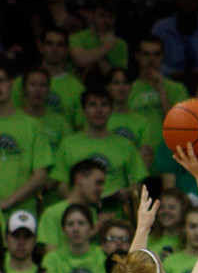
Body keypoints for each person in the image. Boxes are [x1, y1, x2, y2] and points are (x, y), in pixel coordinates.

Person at [51, 88, 147, 217]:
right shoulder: (68, 144)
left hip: (117, 220)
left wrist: (128, 192)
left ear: (111, 110)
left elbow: (137, 184)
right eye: (92, 105)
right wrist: (80, 205)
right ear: (83, 111)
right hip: (80, 220)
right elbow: (62, 187)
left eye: (104, 105)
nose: (99, 110)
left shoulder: (125, 145)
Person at [0, 63, 52, 219]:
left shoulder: (33, 125)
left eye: (1, 80)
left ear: (11, 84)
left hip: (22, 212)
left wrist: (7, 202)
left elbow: (41, 175)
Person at [128, 34, 188, 152]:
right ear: (137, 56)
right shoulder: (128, 90)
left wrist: (161, 91)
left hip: (168, 156)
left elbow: (179, 125)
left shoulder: (177, 89)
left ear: (162, 57)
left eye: (156, 54)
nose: (151, 59)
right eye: (146, 54)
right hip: (138, 154)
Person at [42, 204, 104, 273]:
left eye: (81, 223)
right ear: (63, 230)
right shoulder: (51, 259)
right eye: (70, 224)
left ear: (91, 228)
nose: (76, 229)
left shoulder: (100, 255)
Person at [37, 157, 107, 252]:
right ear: (79, 179)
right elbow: (50, 256)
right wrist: (88, 236)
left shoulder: (95, 213)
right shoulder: (52, 213)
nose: (101, 189)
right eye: (98, 183)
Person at [151, 0, 198, 81]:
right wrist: (171, 73)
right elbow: (152, 61)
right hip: (167, 81)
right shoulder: (161, 29)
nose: (188, 2)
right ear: (176, 2)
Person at [68, 0, 129, 81]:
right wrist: (106, 47)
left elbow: (122, 76)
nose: (107, 21)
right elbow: (81, 60)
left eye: (111, 17)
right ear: (92, 16)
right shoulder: (77, 38)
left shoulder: (121, 44)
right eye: (102, 16)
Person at [105, 67, 155, 168]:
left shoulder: (142, 121)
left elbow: (146, 156)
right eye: (116, 83)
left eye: (125, 83)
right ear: (107, 87)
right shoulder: (100, 119)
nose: (121, 88)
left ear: (131, 87)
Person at [19, 65, 71, 154]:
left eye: (42, 85)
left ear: (48, 90)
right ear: (24, 88)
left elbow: (69, 153)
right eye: (33, 84)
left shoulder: (60, 123)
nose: (38, 89)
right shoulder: (12, 119)